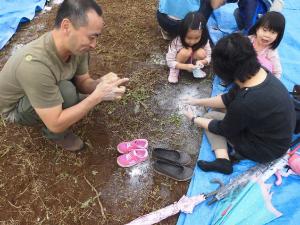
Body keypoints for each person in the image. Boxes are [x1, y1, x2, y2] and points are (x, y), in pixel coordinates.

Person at [0, 0, 129, 152]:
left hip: (46, 87)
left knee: (70, 90)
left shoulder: (76, 47)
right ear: (66, 26)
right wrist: (96, 97)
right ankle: (55, 135)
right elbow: (56, 123)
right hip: (16, 108)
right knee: (66, 91)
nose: (94, 45)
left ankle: (67, 101)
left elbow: (83, 82)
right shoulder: (34, 64)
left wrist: (99, 85)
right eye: (91, 37)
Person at [183, 33, 295, 174]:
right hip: (277, 138)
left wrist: (194, 119)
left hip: (265, 151)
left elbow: (222, 129)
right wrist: (197, 101)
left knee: (211, 116)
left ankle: (223, 161)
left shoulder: (245, 102)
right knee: (221, 109)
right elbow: (228, 98)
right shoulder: (258, 73)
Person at [166, 12, 211, 83]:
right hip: (179, 61)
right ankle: (174, 71)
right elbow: (169, 61)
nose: (192, 42)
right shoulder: (177, 41)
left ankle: (195, 68)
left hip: (192, 60)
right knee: (186, 51)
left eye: (197, 38)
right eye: (189, 38)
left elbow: (209, 57)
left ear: (202, 33)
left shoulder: (204, 40)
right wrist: (185, 66)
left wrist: (203, 62)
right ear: (183, 33)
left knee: (201, 53)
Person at [200, 0, 284, 34]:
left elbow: (278, 1)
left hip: (259, 13)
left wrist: (270, 17)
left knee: (250, 27)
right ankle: (198, 28)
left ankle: (250, 32)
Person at [248, 11, 285, 79]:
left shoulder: (271, 52)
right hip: (242, 71)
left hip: (256, 78)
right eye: (264, 30)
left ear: (278, 36)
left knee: (265, 64)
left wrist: (271, 85)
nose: (267, 35)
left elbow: (277, 72)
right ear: (257, 28)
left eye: (273, 32)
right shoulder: (249, 40)